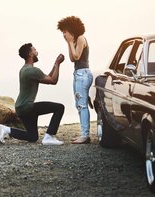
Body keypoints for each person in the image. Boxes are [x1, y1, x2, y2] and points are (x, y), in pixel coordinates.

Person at [0, 43, 65, 145]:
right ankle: (49, 137)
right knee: (59, 108)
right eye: (35, 50)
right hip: (27, 107)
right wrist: (58, 64)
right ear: (30, 54)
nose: (37, 52)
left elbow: (47, 77)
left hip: (21, 108)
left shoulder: (24, 70)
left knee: (32, 137)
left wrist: (55, 63)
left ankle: (6, 129)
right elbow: (53, 80)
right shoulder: (32, 71)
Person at [57, 16, 93, 144]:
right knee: (79, 105)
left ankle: (85, 135)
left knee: (82, 105)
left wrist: (70, 42)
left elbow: (77, 56)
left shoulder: (81, 38)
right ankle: (84, 133)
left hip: (83, 74)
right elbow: (72, 59)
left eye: (64, 31)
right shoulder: (75, 41)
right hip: (78, 74)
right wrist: (69, 43)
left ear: (71, 29)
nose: (63, 34)